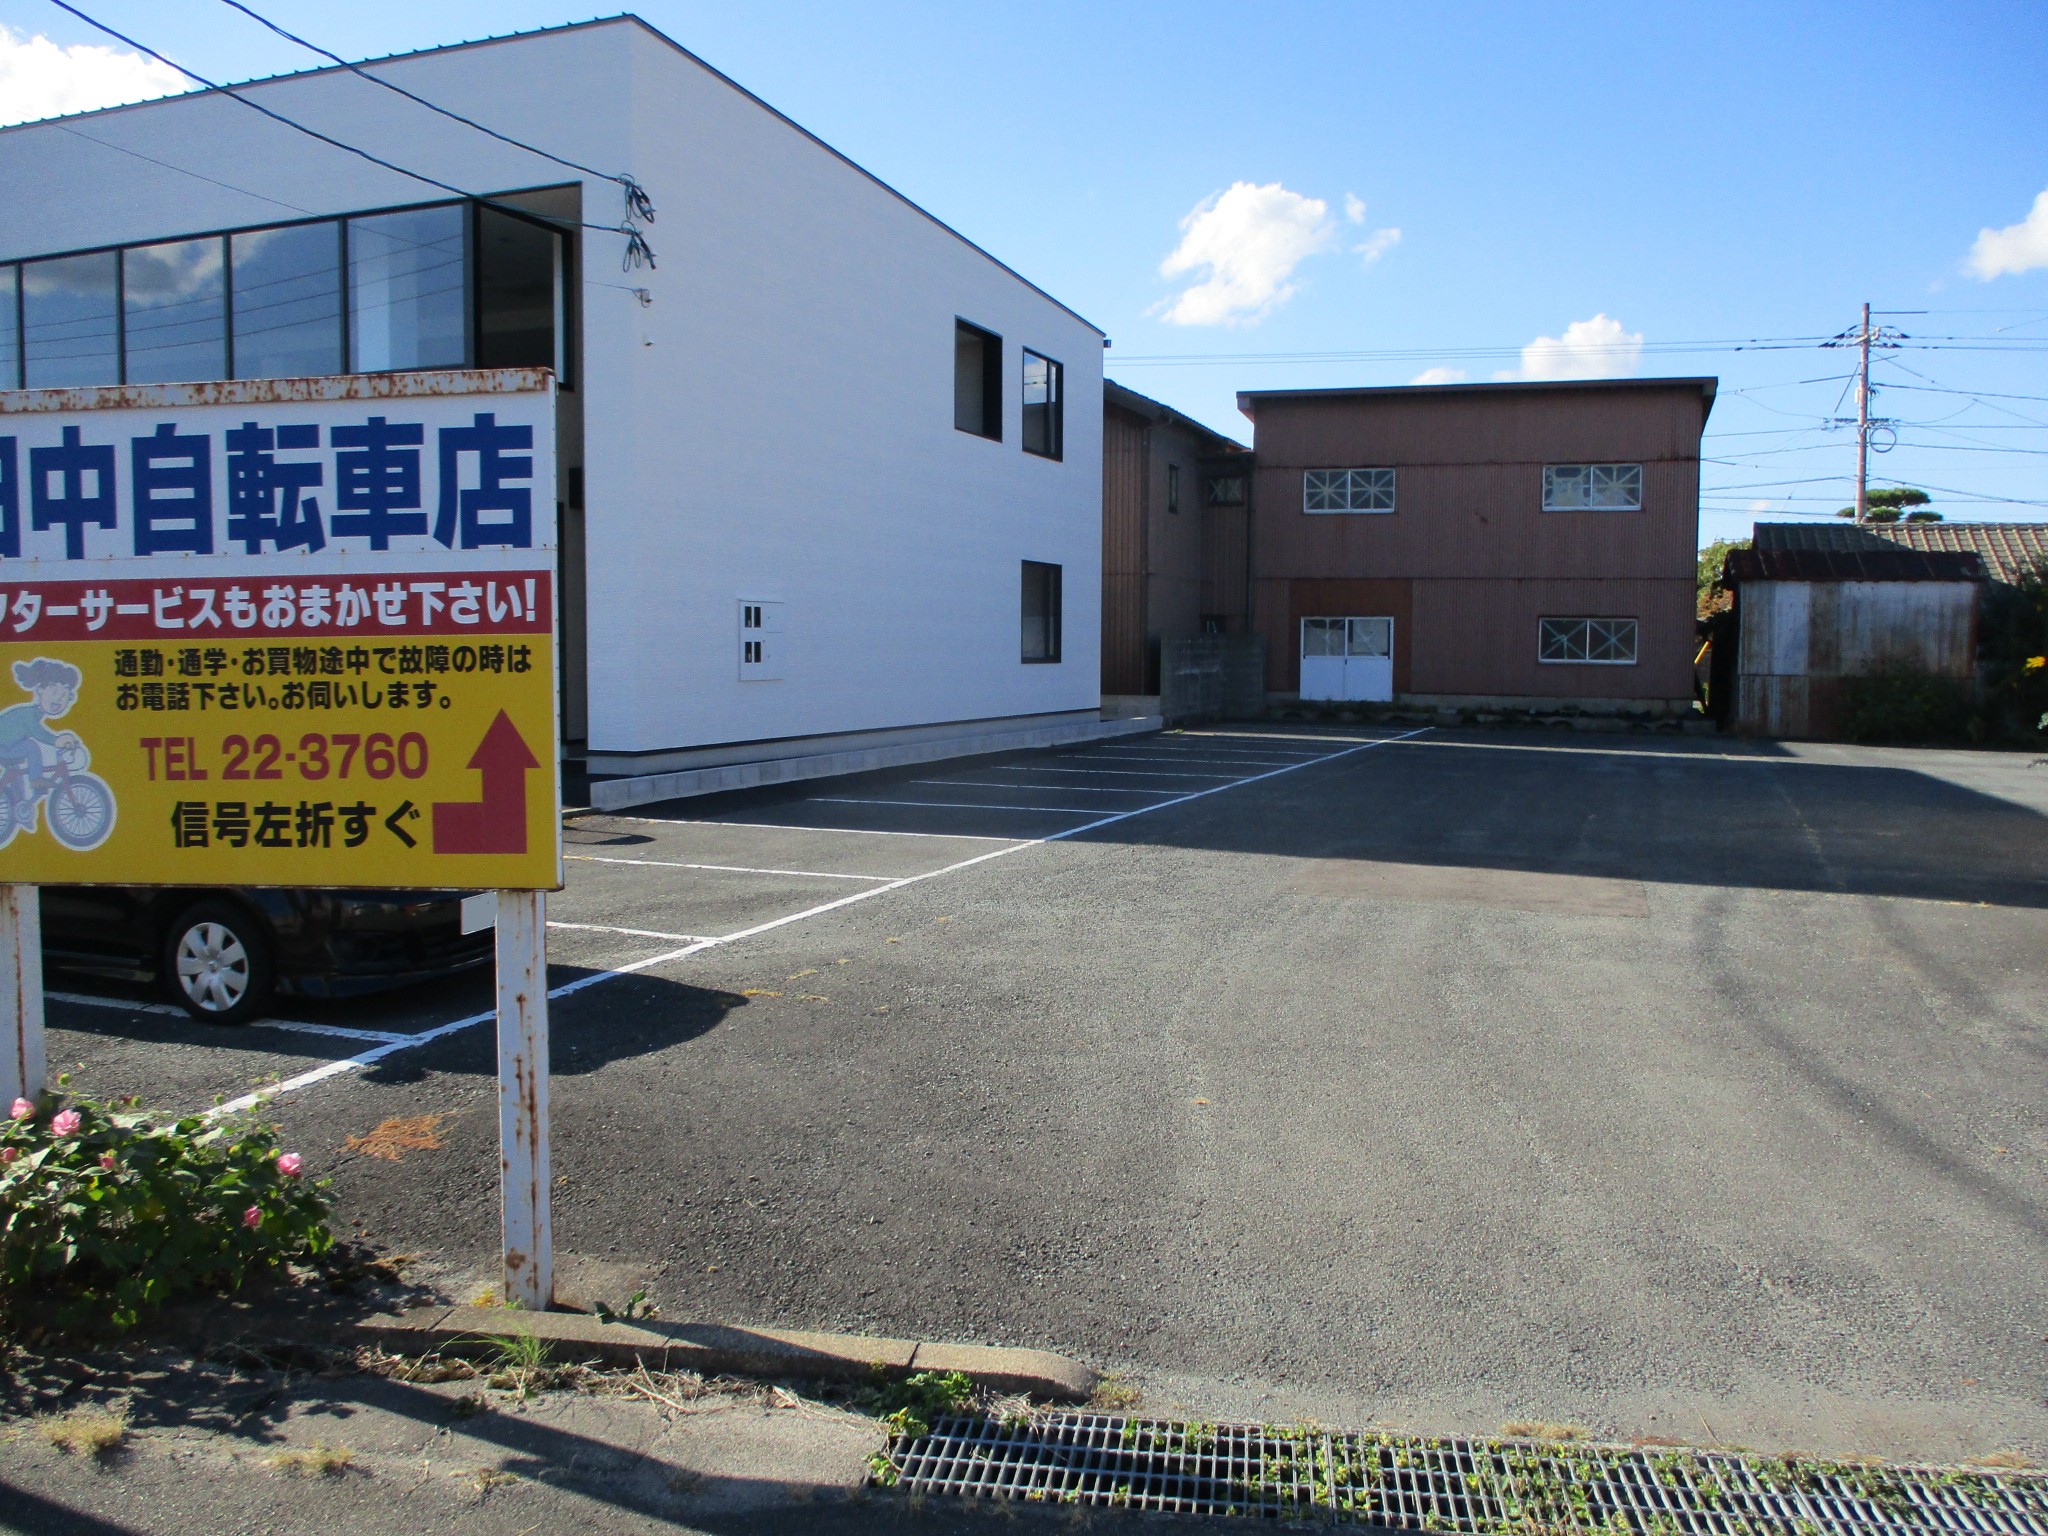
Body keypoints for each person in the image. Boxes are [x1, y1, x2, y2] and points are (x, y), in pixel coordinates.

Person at [0, 657, 84, 832]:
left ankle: (21, 814)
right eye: (54, 692)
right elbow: (38, 733)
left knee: (16, 780)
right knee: (31, 746)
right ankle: (36, 780)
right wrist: (57, 740)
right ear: (40, 690)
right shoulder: (30, 714)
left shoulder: (35, 715)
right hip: (4, 745)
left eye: (63, 697)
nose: (58, 700)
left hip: (9, 746)